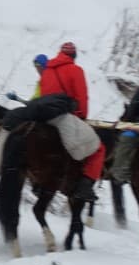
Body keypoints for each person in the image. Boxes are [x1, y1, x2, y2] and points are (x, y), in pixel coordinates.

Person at [38, 42, 104, 201]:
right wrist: (82, 117)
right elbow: (82, 97)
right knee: (98, 149)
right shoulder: (76, 70)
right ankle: (85, 186)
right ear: (73, 56)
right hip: (63, 117)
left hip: (43, 116)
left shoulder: (47, 70)